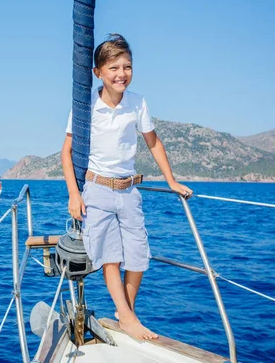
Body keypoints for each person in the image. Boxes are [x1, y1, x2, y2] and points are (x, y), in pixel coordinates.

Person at [61, 33, 193, 341]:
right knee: (111, 256)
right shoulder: (85, 107)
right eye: (114, 68)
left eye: (127, 67)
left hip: (129, 191)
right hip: (98, 190)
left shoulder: (137, 103)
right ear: (98, 73)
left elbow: (154, 143)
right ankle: (129, 318)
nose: (122, 74)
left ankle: (126, 314)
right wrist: (73, 193)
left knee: (138, 256)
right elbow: (66, 153)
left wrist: (171, 181)